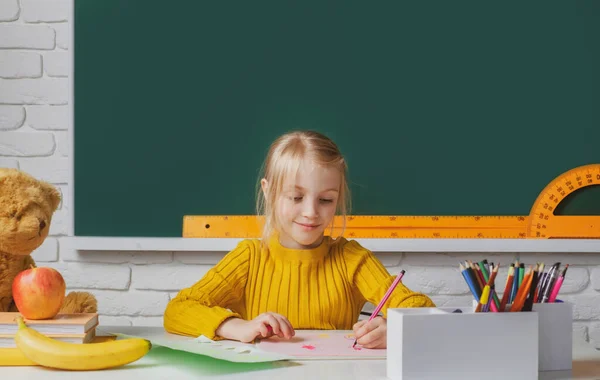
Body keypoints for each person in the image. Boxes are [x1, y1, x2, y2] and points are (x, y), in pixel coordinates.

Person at [163, 130, 435, 349]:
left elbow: (420, 308)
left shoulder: (352, 259)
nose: (311, 213)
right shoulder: (249, 257)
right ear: (268, 192)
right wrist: (236, 327)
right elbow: (178, 310)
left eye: (326, 200)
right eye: (295, 197)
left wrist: (394, 329)